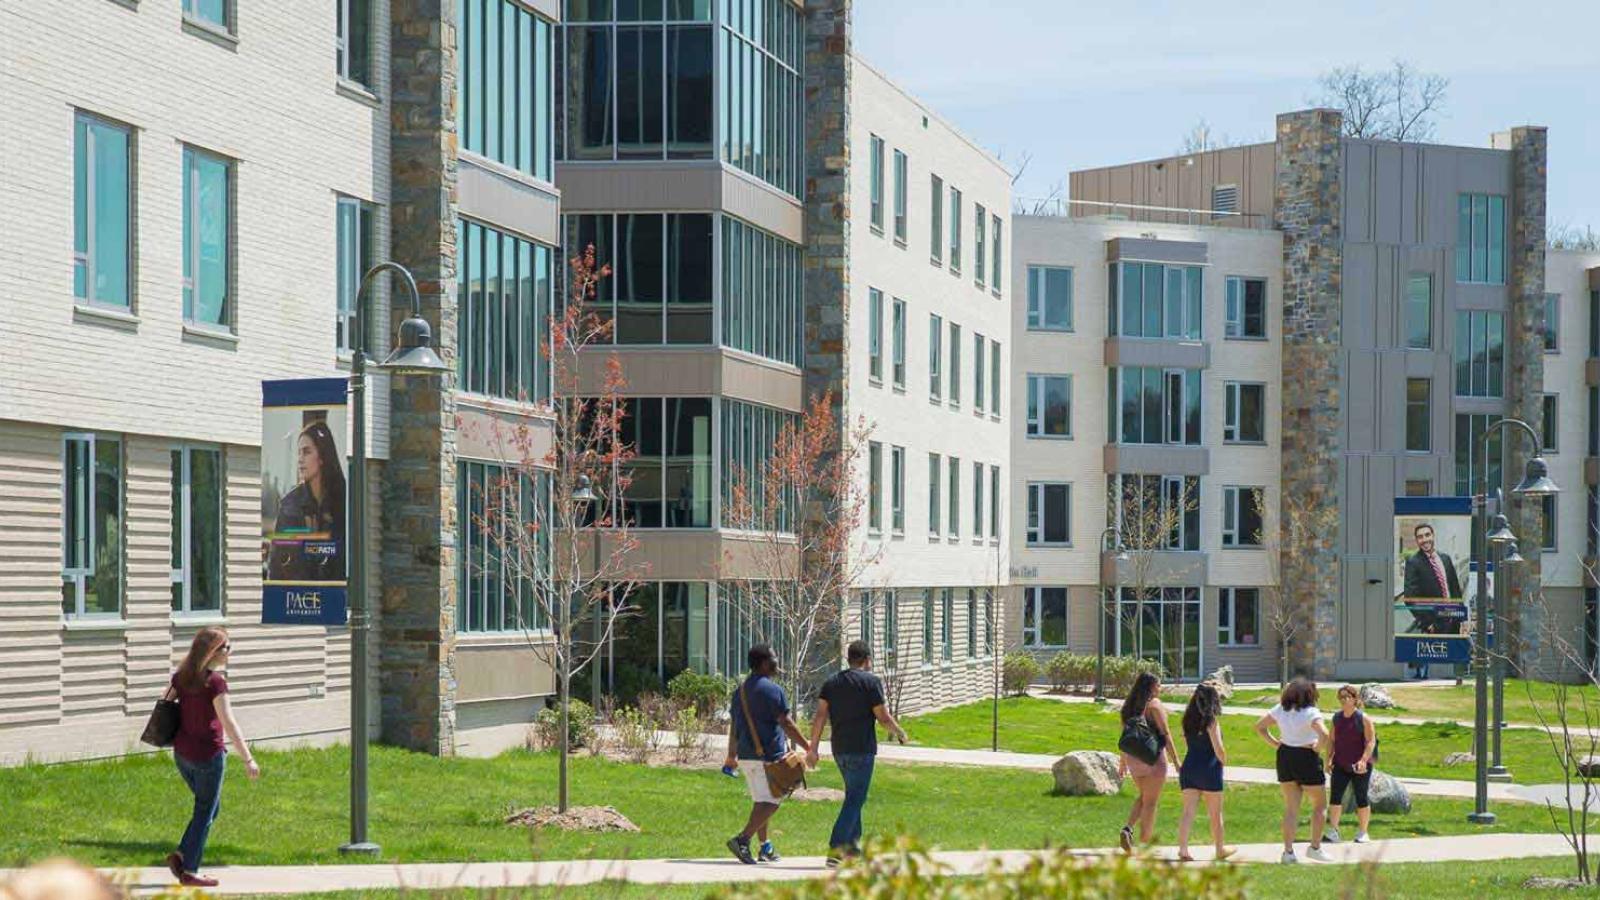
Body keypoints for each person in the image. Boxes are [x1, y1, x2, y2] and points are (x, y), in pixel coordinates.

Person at [165, 627, 261, 887]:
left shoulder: (181, 677)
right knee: (206, 810)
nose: (229, 652)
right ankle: (190, 870)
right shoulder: (215, 683)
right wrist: (248, 759)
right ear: (211, 652)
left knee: (208, 807)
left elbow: (164, 705)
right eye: (225, 647)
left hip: (182, 755)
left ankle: (181, 854)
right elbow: (228, 722)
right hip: (208, 756)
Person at [806, 640, 909, 867]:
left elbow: (820, 715)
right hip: (861, 749)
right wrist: (900, 732)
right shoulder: (871, 683)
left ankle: (852, 848)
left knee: (854, 795)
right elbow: (882, 717)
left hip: (839, 749)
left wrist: (813, 748)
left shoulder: (831, 683)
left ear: (849, 658)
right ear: (867, 660)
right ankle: (836, 849)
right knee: (855, 799)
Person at [723, 644, 811, 866]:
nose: (777, 663)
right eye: (774, 659)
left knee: (761, 800)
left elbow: (734, 725)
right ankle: (742, 840)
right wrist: (807, 746)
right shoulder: (773, 690)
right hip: (768, 757)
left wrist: (731, 756)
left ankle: (765, 847)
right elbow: (787, 723)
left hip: (745, 756)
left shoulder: (740, 691)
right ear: (763, 663)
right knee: (773, 801)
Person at [1255, 678, 1331, 864]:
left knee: (1291, 808)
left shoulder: (1281, 709)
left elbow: (1260, 726)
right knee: (1320, 805)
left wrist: (1275, 743)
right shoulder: (1311, 712)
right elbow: (1325, 734)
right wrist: (1317, 748)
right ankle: (1315, 847)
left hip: (1285, 756)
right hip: (1306, 756)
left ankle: (1288, 852)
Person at [268, 420, 346, 582]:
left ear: (322, 457)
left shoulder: (343, 500)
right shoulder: (290, 505)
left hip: (334, 595)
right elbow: (277, 565)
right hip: (299, 597)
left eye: (307, 452)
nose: (300, 459)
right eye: (299, 453)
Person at [1116, 671, 1179, 853]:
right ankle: (1145, 846)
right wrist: (1176, 761)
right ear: (1151, 687)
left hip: (1134, 760)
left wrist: (1123, 763)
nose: (1160, 688)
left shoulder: (1128, 708)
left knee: (1144, 797)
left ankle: (1127, 829)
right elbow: (1165, 734)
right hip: (1153, 759)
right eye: (1158, 685)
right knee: (1151, 803)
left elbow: (1125, 737)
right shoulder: (1154, 705)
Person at [1175, 681, 1234, 863]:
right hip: (1209, 768)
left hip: (1190, 766)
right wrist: (1224, 760)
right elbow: (1219, 749)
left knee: (1188, 812)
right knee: (1215, 813)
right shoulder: (1211, 721)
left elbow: (1188, 744)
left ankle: (1183, 849)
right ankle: (1219, 849)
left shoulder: (1187, 720)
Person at [1403, 523, 1460, 680]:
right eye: (1420, 537)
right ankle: (1421, 674)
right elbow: (1410, 597)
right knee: (1430, 662)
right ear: (1416, 540)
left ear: (1433, 536)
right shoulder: (1414, 562)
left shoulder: (1445, 559)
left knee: (1452, 662)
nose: (1424, 539)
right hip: (1433, 622)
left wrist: (1462, 617)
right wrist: (1427, 622)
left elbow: (1455, 589)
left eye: (1427, 535)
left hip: (1452, 618)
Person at [1324, 684, 1378, 844]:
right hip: (1340, 764)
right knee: (1335, 797)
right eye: (1341, 697)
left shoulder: (1363, 718)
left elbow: (1370, 741)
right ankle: (1333, 831)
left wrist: (1363, 760)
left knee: (1361, 797)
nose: (1344, 700)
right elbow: (1331, 740)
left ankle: (1363, 832)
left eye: (1347, 696)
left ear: (1355, 699)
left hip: (1360, 766)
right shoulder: (1337, 718)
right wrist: (1328, 759)